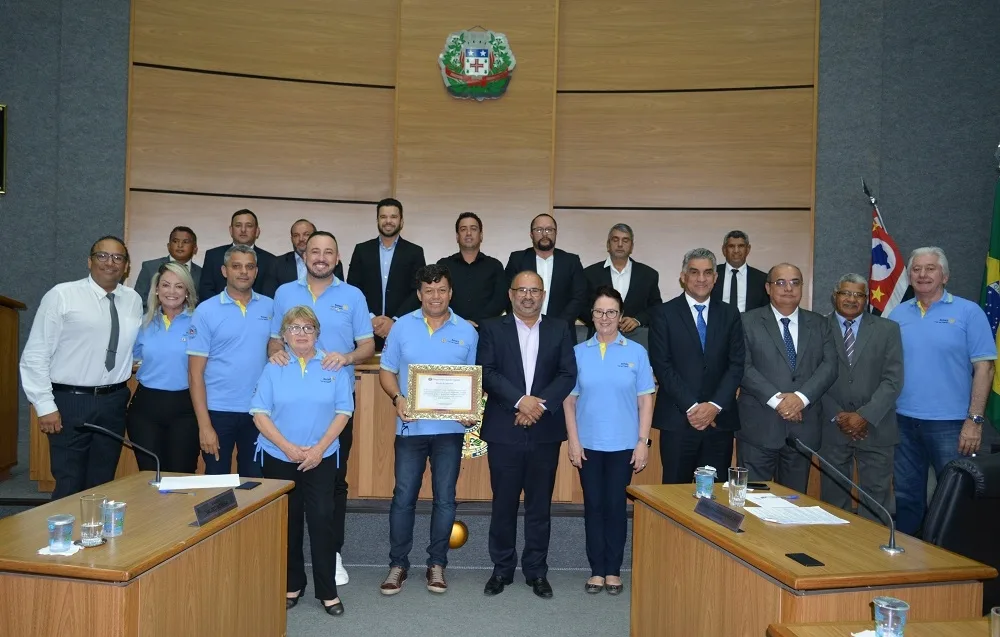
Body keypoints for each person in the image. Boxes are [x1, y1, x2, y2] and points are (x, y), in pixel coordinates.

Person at [268, 231, 374, 586]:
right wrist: (275, 353)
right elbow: (272, 341)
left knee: (334, 483)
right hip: (290, 401)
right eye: (315, 251)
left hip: (334, 401)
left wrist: (345, 357)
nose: (321, 257)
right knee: (289, 483)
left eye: (329, 252)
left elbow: (367, 345)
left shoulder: (353, 295)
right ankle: (288, 560)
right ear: (304, 254)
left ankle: (334, 552)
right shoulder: (285, 293)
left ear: (337, 256)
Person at [378, 264, 478, 596]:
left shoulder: (467, 331)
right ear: (420, 293)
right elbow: (387, 371)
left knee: (445, 500)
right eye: (429, 290)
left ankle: (437, 564)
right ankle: (398, 564)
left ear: (451, 293)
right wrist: (397, 397)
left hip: (450, 431)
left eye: (442, 290)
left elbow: (475, 383)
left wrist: (470, 411)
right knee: (403, 498)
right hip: (411, 428)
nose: (435, 296)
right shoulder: (401, 327)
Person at [477, 271, 577, 599]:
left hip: (545, 430)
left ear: (543, 294)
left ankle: (536, 571)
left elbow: (567, 374)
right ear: (511, 294)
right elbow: (487, 372)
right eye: (522, 290)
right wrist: (522, 401)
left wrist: (538, 407)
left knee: (539, 506)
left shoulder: (561, 328)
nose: (528, 296)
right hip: (504, 429)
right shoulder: (492, 328)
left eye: (534, 290)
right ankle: (502, 569)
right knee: (503, 504)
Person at [20, 236, 143, 499]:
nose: (110, 263)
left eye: (118, 257)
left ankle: (94, 538)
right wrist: (44, 406)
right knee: (69, 481)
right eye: (102, 256)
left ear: (126, 267)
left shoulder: (132, 299)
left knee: (102, 482)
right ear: (89, 261)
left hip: (114, 401)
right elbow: (35, 354)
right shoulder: (62, 295)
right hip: (70, 402)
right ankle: (64, 540)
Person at [251, 306, 353, 616]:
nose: (301, 334)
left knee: (322, 521)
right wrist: (288, 447)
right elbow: (259, 413)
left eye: (308, 328)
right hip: (279, 457)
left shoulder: (332, 366)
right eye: (294, 328)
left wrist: (318, 449)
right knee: (288, 523)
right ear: (283, 335)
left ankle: (327, 591)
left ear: (317, 334)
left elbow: (344, 412)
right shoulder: (274, 367)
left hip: (321, 457)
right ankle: (292, 584)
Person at [888, 247, 996, 535]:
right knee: (907, 499)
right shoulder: (897, 314)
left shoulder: (968, 312)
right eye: (917, 269)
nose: (923, 274)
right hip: (903, 423)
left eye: (931, 268)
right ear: (909, 277)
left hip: (952, 426)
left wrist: (974, 421)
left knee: (956, 500)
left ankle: (953, 565)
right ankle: (908, 561)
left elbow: (985, 368)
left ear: (945, 275)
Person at [564, 285, 653, 596]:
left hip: (624, 446)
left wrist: (642, 441)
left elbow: (645, 400)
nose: (605, 317)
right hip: (588, 445)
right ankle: (596, 570)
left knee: (616, 507)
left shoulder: (636, 352)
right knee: (594, 506)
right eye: (599, 312)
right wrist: (573, 442)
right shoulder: (578, 353)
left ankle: (613, 570)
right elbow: (569, 401)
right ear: (592, 315)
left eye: (611, 312)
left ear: (621, 316)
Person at [737, 263, 837, 492]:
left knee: (794, 501)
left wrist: (801, 398)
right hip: (759, 427)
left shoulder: (820, 324)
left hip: (803, 427)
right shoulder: (746, 321)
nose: (788, 288)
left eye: (795, 282)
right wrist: (778, 401)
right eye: (780, 282)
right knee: (752, 499)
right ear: (768, 288)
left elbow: (830, 366)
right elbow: (742, 367)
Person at [649, 248, 745, 484]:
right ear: (683, 276)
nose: (701, 279)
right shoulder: (663, 313)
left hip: (719, 422)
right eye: (694, 272)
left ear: (715, 278)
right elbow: (662, 365)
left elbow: (736, 365)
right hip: (678, 420)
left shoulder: (730, 314)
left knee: (714, 500)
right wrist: (693, 408)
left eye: (707, 273)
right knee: (674, 496)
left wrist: (713, 406)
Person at [819, 273, 903, 522]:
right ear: (835, 296)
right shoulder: (817, 327)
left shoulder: (888, 329)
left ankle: (872, 557)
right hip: (833, 428)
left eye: (859, 295)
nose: (852, 299)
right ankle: (837, 555)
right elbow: (811, 377)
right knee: (834, 500)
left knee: (877, 501)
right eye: (846, 293)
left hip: (877, 428)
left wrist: (864, 416)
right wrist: (839, 416)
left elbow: (893, 380)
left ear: (866, 299)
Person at [187, 245, 273, 478]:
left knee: (255, 484)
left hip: (259, 411)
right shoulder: (205, 311)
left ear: (256, 271)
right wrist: (204, 426)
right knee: (217, 486)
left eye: (249, 266)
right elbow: (195, 375)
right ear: (224, 271)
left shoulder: (271, 307)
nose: (243, 272)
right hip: (217, 412)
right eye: (236, 266)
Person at [126, 262, 201, 473]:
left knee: (181, 474)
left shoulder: (200, 322)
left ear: (187, 291)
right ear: (157, 290)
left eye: (179, 286)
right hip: (145, 409)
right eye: (166, 285)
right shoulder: (143, 323)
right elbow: (131, 359)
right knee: (150, 476)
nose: (171, 291)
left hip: (185, 408)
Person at [347, 198, 426, 349]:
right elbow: (353, 288)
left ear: (401, 221)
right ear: (377, 220)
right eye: (383, 217)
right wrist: (371, 318)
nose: (388, 221)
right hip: (365, 330)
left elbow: (417, 291)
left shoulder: (415, 252)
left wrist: (395, 321)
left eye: (393, 217)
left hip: (403, 329)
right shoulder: (362, 250)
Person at [582, 223, 662, 341]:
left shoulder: (648, 275)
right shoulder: (589, 274)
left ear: (631, 246)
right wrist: (603, 320)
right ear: (608, 245)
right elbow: (581, 306)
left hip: (637, 338)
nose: (620, 244)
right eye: (615, 240)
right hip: (599, 338)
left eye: (625, 240)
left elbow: (656, 307)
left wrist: (637, 320)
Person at [504, 214, 587, 327]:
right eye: (539, 230)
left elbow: (579, 297)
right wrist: (523, 321)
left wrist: (559, 325)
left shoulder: (571, 261)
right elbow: (508, 294)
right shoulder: (517, 259)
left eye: (549, 229)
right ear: (531, 234)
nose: (544, 234)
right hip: (522, 328)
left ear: (556, 233)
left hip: (562, 330)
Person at [437, 212, 507, 327]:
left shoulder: (494, 266)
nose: (468, 233)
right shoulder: (443, 265)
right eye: (463, 229)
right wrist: (458, 321)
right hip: (450, 328)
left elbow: (500, 300)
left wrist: (477, 322)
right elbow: (438, 297)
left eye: (473, 229)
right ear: (457, 236)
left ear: (481, 235)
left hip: (486, 330)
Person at [198, 209, 276, 301]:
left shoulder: (271, 260)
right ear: (231, 230)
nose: (243, 230)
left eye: (249, 226)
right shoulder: (213, 256)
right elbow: (205, 290)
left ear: (257, 231)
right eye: (238, 225)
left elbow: (270, 294)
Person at [264, 219, 344, 295]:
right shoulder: (276, 264)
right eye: (296, 235)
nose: (301, 239)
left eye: (306, 234)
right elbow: (271, 297)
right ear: (292, 239)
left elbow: (339, 293)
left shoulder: (329, 262)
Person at [133, 226, 202, 312]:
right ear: (168, 246)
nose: (180, 245)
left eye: (185, 242)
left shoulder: (202, 273)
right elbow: (138, 302)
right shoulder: (150, 268)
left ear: (195, 248)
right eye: (175, 241)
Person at [710, 230, 769, 312]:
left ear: (748, 249)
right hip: (718, 323)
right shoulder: (711, 275)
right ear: (724, 250)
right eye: (731, 246)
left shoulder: (762, 279)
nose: (736, 250)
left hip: (749, 324)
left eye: (741, 246)